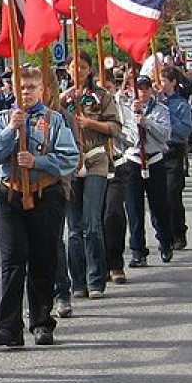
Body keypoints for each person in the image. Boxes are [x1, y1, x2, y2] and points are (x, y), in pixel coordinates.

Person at [0, 66, 79, 347]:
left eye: (31, 87)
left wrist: (38, 162)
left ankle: (41, 321)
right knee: (12, 261)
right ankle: (8, 326)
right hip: (10, 195)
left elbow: (69, 158)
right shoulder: (2, 119)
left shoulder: (54, 120)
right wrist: (12, 131)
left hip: (44, 193)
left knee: (43, 258)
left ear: (42, 90)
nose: (25, 92)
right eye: (21, 87)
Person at [58, 52, 121, 304]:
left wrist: (89, 123)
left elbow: (114, 127)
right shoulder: (63, 99)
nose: (79, 71)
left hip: (95, 159)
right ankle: (78, 281)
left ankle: (96, 278)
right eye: (74, 67)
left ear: (90, 69)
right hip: (71, 163)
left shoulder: (101, 97)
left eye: (83, 67)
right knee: (74, 228)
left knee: (92, 223)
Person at [118, 75, 174, 271]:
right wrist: (134, 123)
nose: (142, 92)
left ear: (150, 90)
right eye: (138, 88)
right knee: (134, 209)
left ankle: (166, 242)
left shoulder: (160, 110)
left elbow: (165, 135)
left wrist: (146, 122)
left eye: (145, 88)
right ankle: (138, 251)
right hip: (133, 160)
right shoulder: (125, 110)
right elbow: (123, 135)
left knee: (159, 206)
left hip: (154, 159)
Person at [159, 67, 192, 251]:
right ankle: (164, 234)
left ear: (173, 83)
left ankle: (179, 232)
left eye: (164, 80)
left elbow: (185, 130)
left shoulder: (181, 105)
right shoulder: (153, 102)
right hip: (157, 152)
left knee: (173, 193)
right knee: (159, 197)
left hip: (174, 151)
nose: (160, 84)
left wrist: (167, 114)